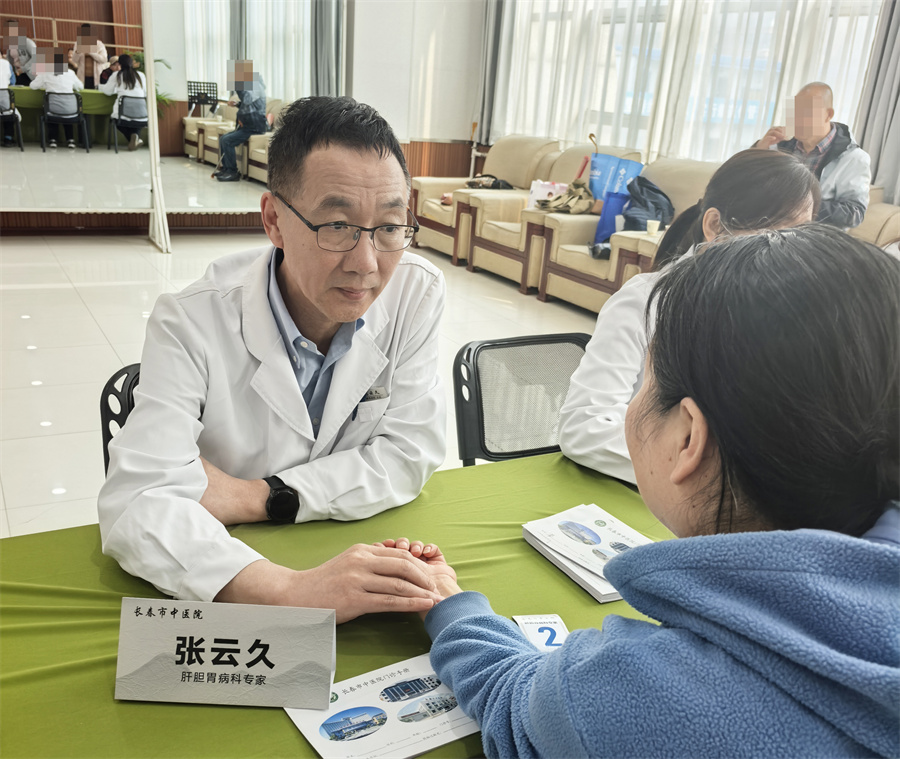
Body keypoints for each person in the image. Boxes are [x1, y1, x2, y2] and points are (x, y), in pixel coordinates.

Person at [385, 225, 900, 758]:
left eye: (646, 380)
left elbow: (515, 704)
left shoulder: (638, 696)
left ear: (688, 437)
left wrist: (450, 606)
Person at [98, 96, 446, 623]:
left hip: (338, 537)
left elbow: (409, 453)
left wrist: (262, 496)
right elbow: (136, 501)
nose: (367, 263)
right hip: (233, 564)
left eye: (390, 227)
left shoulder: (415, 294)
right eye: (337, 225)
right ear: (274, 220)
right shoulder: (190, 320)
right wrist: (290, 591)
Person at [558, 149, 819, 484]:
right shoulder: (645, 301)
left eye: (800, 235)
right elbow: (584, 428)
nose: (788, 252)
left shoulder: (782, 309)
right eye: (773, 234)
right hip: (652, 489)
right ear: (714, 225)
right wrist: (708, 477)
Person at [754, 81, 870, 229]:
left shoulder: (853, 158)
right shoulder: (779, 145)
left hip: (814, 237)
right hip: (769, 229)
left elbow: (854, 214)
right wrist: (757, 150)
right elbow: (746, 184)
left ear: (828, 114)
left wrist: (800, 205)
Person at [214, 59, 267, 182]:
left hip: (255, 127)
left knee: (227, 140)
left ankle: (233, 172)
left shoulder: (257, 85)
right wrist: (238, 104)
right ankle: (226, 169)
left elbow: (247, 99)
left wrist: (238, 85)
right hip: (248, 126)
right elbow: (249, 104)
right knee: (223, 138)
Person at [30, 47, 84, 149]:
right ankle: (70, 139)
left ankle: (53, 139)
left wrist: (45, 84)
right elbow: (80, 87)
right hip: (71, 111)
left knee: (50, 108)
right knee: (66, 110)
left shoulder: (45, 73)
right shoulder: (70, 73)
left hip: (52, 111)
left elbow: (33, 86)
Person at [99, 54, 146, 150]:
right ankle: (135, 137)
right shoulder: (141, 75)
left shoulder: (117, 75)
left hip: (123, 113)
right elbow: (145, 93)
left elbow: (107, 91)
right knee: (135, 121)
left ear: (120, 64)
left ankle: (132, 138)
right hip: (141, 114)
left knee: (117, 122)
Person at [69, 23, 108, 89]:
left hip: (97, 77)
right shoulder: (77, 44)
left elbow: (104, 60)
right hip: (82, 77)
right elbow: (74, 60)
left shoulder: (99, 44)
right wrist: (77, 52)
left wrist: (90, 52)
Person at [4, 19, 36, 85]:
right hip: (17, 73)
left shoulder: (27, 42)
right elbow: (9, 60)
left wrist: (23, 69)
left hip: (29, 74)